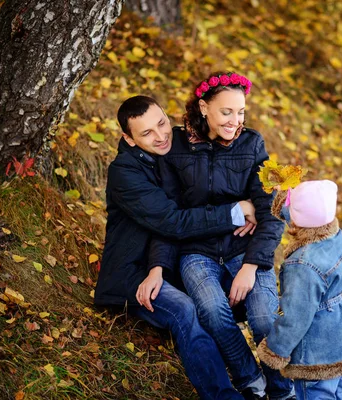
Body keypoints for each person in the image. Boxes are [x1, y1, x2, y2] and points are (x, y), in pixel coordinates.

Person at [94, 95, 260, 399]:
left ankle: (255, 381)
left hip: (166, 263)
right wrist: (235, 211)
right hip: (132, 271)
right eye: (147, 133)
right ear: (128, 139)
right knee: (186, 310)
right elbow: (172, 221)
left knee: (219, 301)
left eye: (161, 123)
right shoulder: (125, 173)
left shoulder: (173, 152)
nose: (160, 136)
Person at [148, 72, 295, 400]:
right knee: (213, 313)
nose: (235, 121)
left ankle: (283, 391)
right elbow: (169, 218)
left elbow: (270, 212)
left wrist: (251, 266)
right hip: (196, 252)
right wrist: (158, 266)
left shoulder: (252, 144)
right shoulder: (176, 149)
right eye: (227, 112)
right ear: (204, 107)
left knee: (263, 319)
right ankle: (250, 381)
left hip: (245, 250)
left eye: (241, 112)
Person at [257, 180, 342, 400]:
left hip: (314, 353)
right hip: (339, 338)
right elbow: (306, 214)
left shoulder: (303, 266)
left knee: (316, 395)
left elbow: (295, 316)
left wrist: (275, 350)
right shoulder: (334, 235)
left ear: (298, 220)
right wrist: (282, 200)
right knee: (339, 392)